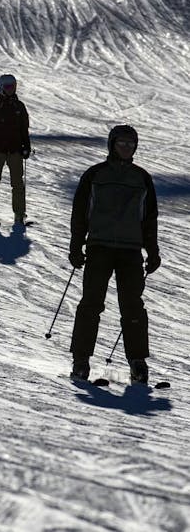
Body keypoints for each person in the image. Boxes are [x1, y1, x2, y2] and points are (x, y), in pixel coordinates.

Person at [68, 125, 160, 384]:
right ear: (112, 144)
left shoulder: (141, 178)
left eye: (131, 144)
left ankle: (137, 362)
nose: (127, 148)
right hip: (100, 248)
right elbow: (80, 213)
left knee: (133, 307)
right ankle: (81, 360)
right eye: (122, 143)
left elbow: (149, 219)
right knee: (91, 304)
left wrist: (152, 252)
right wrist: (76, 246)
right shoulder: (95, 175)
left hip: (130, 251)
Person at [0, 74, 31, 226]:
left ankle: (19, 213)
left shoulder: (19, 107)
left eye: (14, 86)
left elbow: (24, 129)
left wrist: (26, 147)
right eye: (8, 87)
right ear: (1, 87)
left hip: (15, 150)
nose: (11, 89)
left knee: (17, 184)